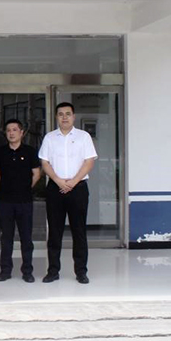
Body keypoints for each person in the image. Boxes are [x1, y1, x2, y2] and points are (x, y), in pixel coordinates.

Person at [38, 102, 97, 285]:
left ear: (74, 116)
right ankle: (53, 271)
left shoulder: (83, 137)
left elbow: (89, 162)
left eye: (68, 114)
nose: (64, 117)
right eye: (61, 114)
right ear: (56, 117)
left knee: (79, 231)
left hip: (78, 188)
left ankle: (81, 271)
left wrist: (73, 181)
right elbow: (45, 163)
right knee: (54, 231)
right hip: (55, 188)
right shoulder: (50, 138)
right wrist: (58, 180)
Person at [0, 119, 41, 283]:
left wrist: (25, 187)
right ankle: (5, 270)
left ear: (22, 133)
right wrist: (7, 186)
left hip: (24, 201)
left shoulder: (29, 151)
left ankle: (27, 271)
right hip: (5, 201)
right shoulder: (0, 152)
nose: (11, 133)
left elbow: (36, 173)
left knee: (26, 238)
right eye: (8, 130)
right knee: (6, 237)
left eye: (14, 130)